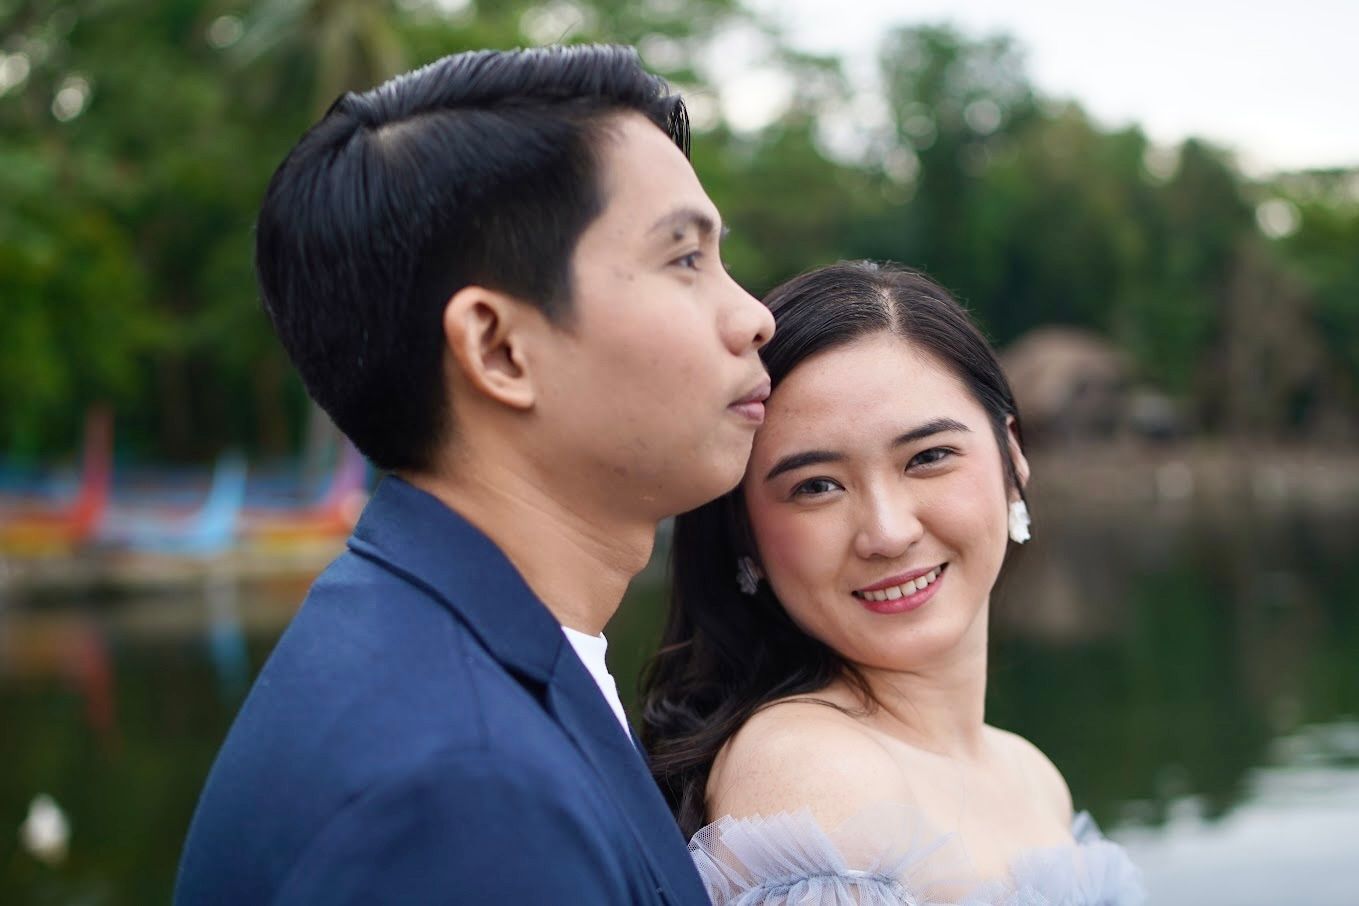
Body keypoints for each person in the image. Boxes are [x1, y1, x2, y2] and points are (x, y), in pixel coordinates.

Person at [175, 45, 774, 905]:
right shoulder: (464, 794)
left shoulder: (429, 648)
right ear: (498, 349)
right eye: (684, 259)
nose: (753, 316)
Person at [642, 261, 1146, 904]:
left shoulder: (1031, 775)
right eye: (816, 486)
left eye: (928, 457)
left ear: (1012, 456)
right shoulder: (811, 773)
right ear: (745, 533)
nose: (887, 532)